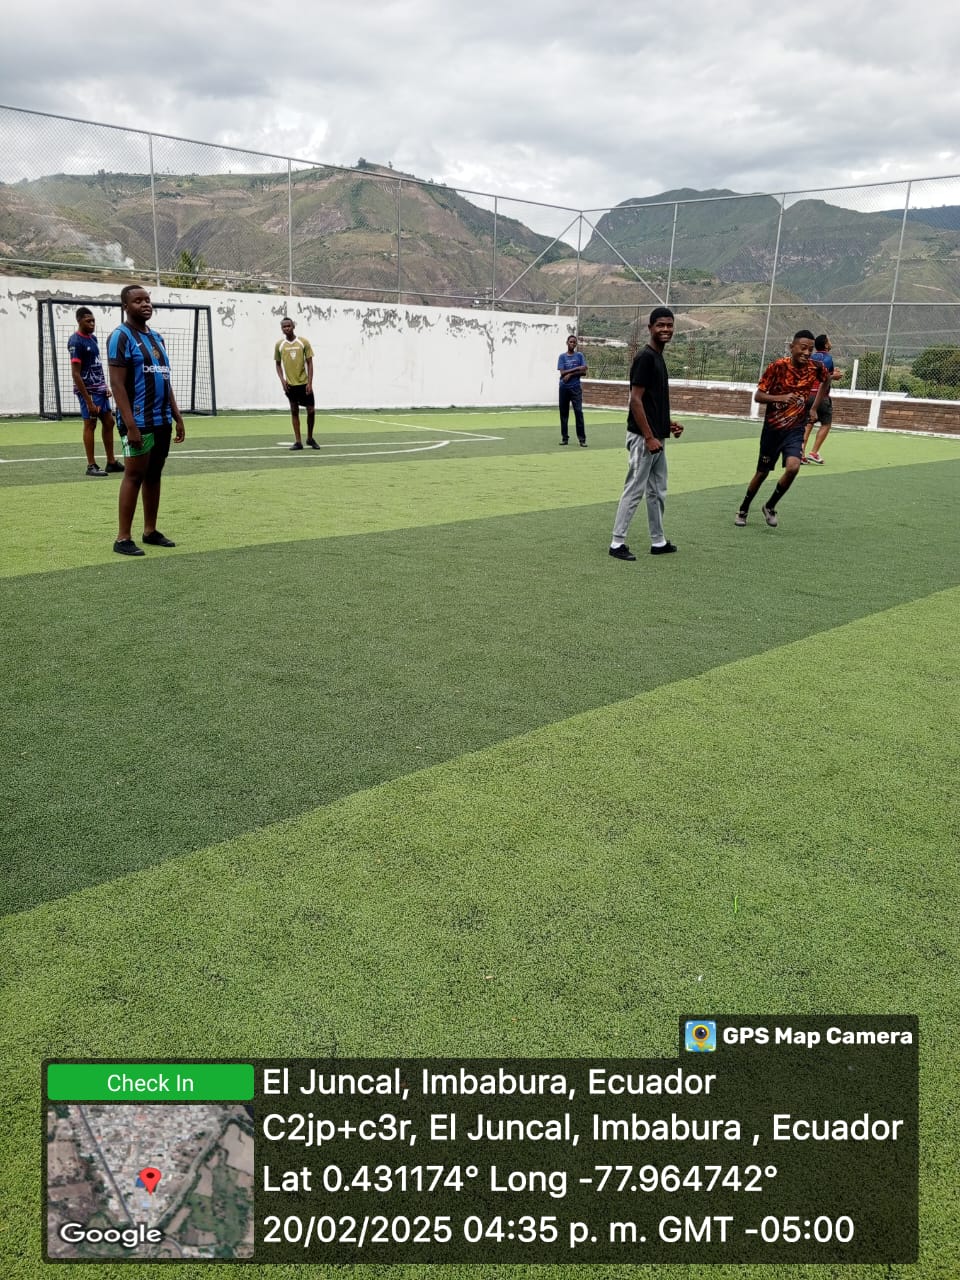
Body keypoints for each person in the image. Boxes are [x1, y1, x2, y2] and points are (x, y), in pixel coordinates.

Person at [107, 284, 185, 557]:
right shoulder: (120, 336)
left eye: (147, 300)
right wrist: (130, 425)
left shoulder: (157, 338)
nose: (145, 304)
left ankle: (150, 531)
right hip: (138, 421)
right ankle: (123, 538)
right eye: (138, 301)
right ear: (125, 307)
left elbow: (164, 377)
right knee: (134, 475)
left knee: (154, 474)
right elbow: (117, 385)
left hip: (161, 419)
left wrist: (176, 414)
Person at [608, 307, 685, 560]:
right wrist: (650, 437)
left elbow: (652, 402)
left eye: (669, 325)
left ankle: (658, 541)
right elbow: (635, 400)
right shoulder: (645, 358)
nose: (666, 329)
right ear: (650, 328)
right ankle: (617, 543)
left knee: (657, 490)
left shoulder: (658, 357)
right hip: (644, 438)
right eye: (660, 325)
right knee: (634, 488)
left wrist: (667, 424)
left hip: (655, 436)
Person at [735, 330, 827, 529]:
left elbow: (826, 381)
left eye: (810, 349)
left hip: (796, 428)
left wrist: (813, 408)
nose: (807, 353)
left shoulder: (816, 367)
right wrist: (781, 398)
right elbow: (758, 396)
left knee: (793, 467)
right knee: (762, 473)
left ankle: (770, 506)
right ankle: (743, 508)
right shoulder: (777, 367)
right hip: (773, 429)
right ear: (792, 347)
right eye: (803, 348)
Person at [68, 307, 122, 476]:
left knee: (109, 422)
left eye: (93, 321)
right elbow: (76, 374)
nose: (92, 324)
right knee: (90, 424)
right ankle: (91, 465)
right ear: (79, 321)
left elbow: (96, 365)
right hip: (88, 392)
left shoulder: (93, 339)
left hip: (99, 389)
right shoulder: (75, 342)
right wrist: (88, 401)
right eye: (88, 321)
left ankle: (111, 462)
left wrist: (104, 386)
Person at [274, 318, 317, 450]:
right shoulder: (280, 345)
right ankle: (298, 441)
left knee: (311, 411)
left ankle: (310, 438)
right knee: (294, 411)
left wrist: (310, 382)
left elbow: (310, 363)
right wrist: (282, 381)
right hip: (290, 385)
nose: (286, 328)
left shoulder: (303, 342)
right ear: (282, 329)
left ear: (293, 326)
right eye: (284, 327)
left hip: (304, 383)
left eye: (289, 326)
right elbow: (278, 364)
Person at [802, 334, 842, 464]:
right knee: (826, 424)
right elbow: (825, 378)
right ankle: (814, 452)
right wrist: (835, 376)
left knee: (808, 423)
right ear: (825, 345)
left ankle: (800, 452)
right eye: (829, 341)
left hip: (808, 395)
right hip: (821, 396)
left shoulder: (811, 358)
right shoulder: (828, 359)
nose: (830, 342)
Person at [557, 334, 588, 446]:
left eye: (574, 342)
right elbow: (562, 373)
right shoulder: (562, 357)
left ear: (576, 344)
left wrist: (570, 374)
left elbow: (584, 372)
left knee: (578, 412)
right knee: (564, 413)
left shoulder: (579, 356)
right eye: (571, 342)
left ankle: (582, 439)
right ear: (567, 343)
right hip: (564, 388)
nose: (572, 344)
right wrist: (577, 368)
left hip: (576, 388)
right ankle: (564, 438)